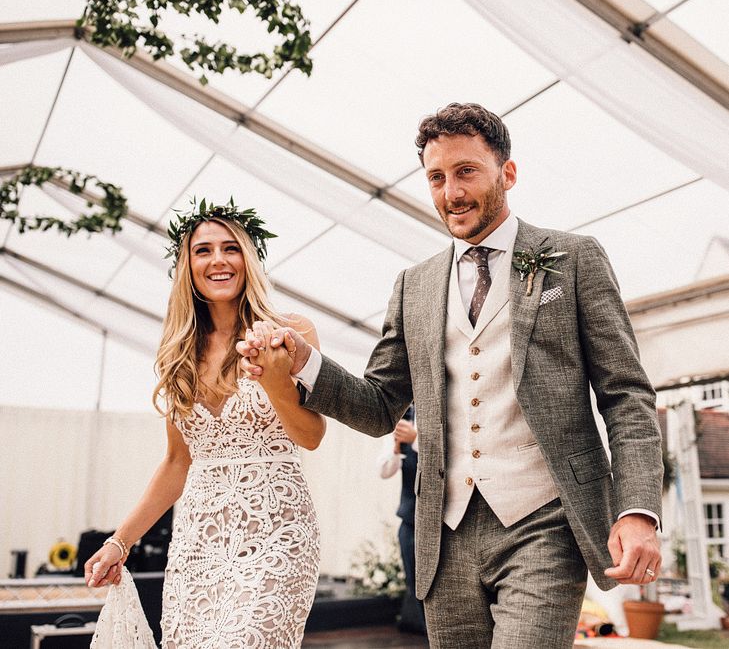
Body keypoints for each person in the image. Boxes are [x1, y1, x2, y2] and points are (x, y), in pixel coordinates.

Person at [239, 103, 665, 648]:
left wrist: (638, 511)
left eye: (466, 172)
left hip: (546, 522)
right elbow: (377, 406)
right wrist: (305, 361)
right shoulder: (414, 285)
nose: (451, 193)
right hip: (445, 533)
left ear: (506, 173)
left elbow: (626, 394)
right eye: (437, 178)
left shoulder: (572, 259)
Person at [84, 198, 325, 648]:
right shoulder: (177, 354)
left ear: (249, 259)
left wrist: (274, 380)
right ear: (186, 266)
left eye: (231, 248)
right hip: (200, 539)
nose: (218, 260)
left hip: (277, 531)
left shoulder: (290, 332)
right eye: (203, 250)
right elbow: (177, 462)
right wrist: (120, 541)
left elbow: (311, 436)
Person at [377, 405, 427, 634]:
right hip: (408, 517)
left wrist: (416, 438)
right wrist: (398, 444)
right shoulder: (402, 414)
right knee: (414, 585)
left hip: (437, 521)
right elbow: (385, 470)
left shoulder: (433, 411)